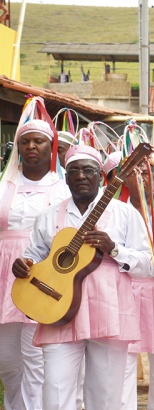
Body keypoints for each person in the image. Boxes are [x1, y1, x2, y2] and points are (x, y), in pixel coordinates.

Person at [13, 144, 152, 410]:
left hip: (108, 312)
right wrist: (23, 265)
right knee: (54, 393)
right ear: (65, 177)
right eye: (73, 171)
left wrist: (114, 249)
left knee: (107, 396)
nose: (80, 176)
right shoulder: (49, 215)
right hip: (56, 310)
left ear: (101, 175)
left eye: (88, 170)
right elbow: (33, 257)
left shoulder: (124, 213)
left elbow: (148, 265)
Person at [0, 115, 69, 410]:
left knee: (35, 357)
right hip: (4, 275)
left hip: (40, 275)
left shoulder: (62, 189)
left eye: (38, 141)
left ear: (50, 148)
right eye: (25, 141)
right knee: (7, 361)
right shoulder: (4, 187)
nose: (31, 146)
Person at [120, 156, 154, 410]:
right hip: (124, 291)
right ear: (123, 176)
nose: (142, 176)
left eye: (148, 170)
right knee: (123, 363)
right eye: (135, 171)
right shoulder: (115, 211)